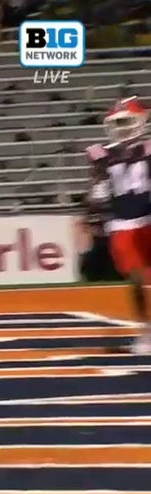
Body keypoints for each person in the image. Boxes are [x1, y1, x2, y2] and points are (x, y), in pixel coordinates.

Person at [86, 97, 151, 353]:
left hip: (148, 219)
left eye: (126, 121)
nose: (122, 128)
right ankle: (147, 332)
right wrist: (97, 197)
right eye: (117, 123)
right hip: (122, 224)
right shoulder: (101, 155)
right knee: (136, 279)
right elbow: (97, 192)